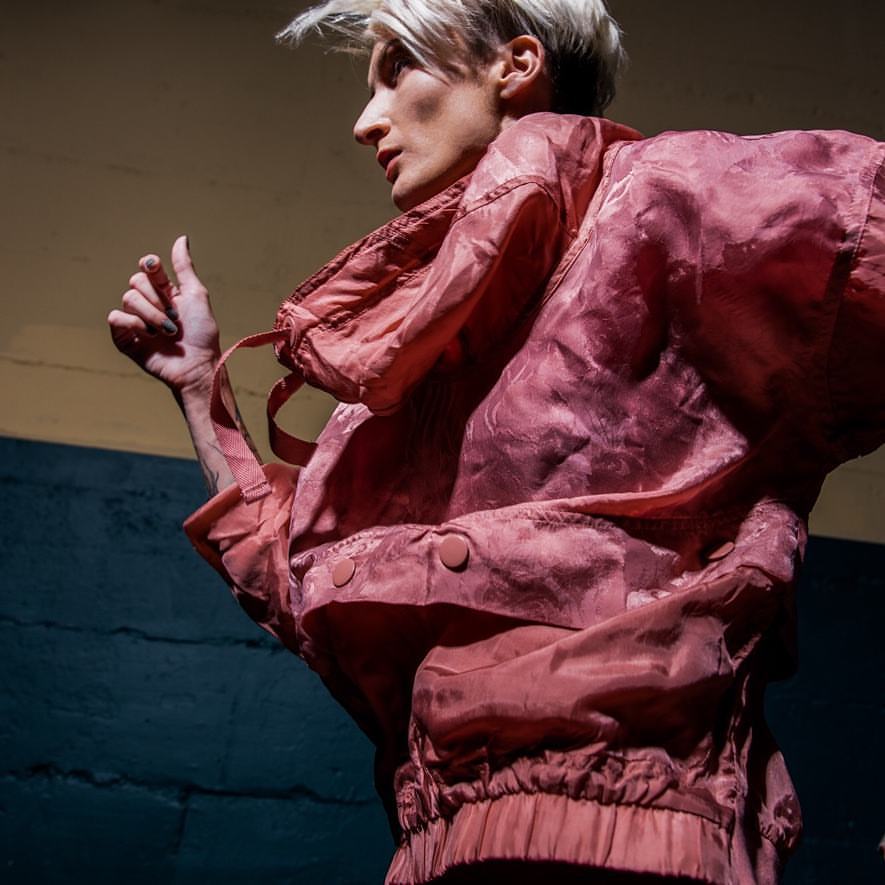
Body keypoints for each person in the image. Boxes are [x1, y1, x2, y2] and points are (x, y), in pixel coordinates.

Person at [107, 1, 885, 882]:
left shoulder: (681, 197)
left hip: (654, 841)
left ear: (513, 66)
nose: (366, 122)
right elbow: (308, 595)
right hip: (437, 849)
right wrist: (197, 385)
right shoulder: (402, 366)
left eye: (397, 67)